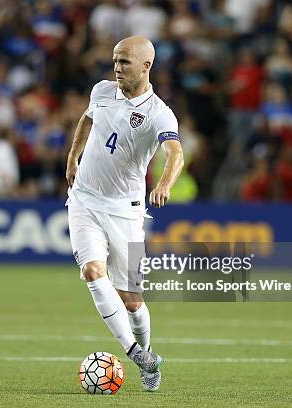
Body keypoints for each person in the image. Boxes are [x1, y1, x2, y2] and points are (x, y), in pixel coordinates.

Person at [65, 35, 184, 392]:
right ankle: (136, 354)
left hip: (125, 212)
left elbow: (175, 153)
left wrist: (164, 184)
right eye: (115, 60)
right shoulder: (101, 90)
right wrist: (73, 157)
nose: (117, 68)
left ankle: (147, 350)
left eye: (125, 62)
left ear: (146, 66)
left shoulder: (158, 112)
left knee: (132, 301)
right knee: (92, 271)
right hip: (84, 200)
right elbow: (87, 121)